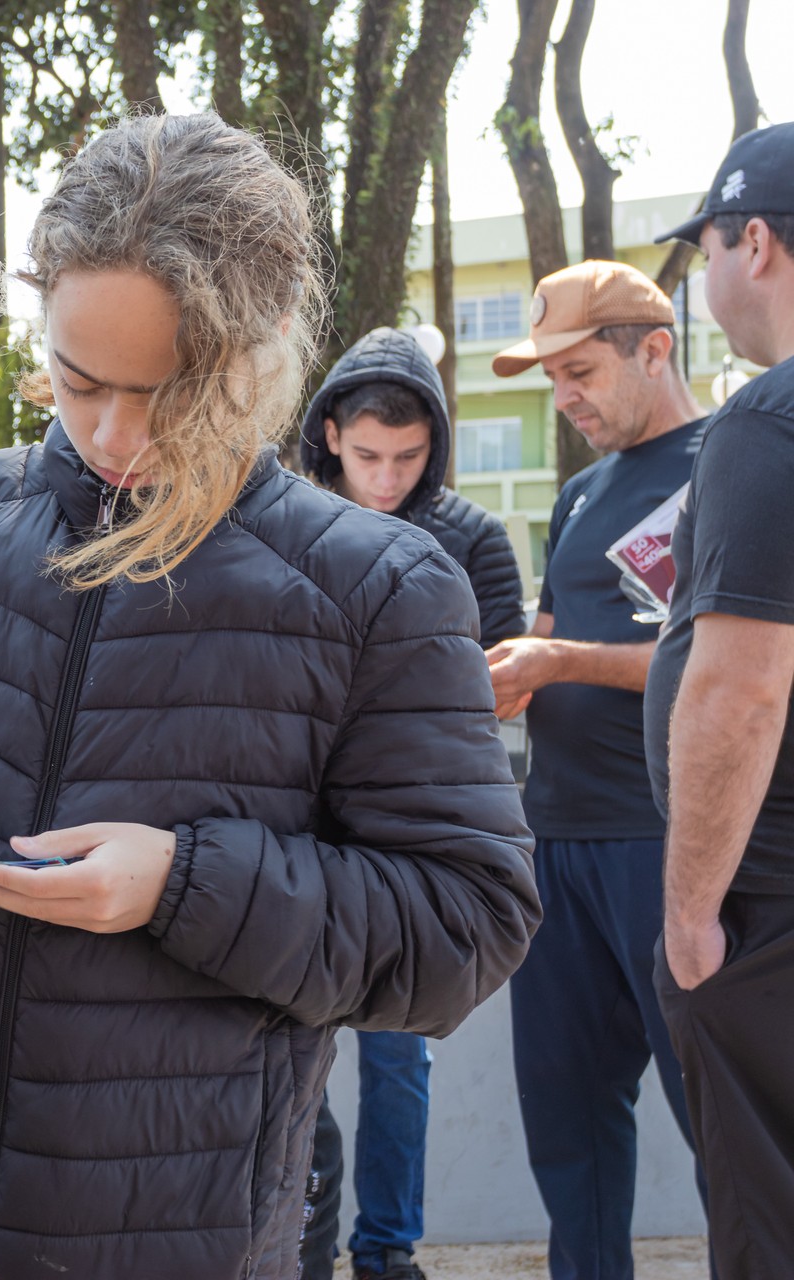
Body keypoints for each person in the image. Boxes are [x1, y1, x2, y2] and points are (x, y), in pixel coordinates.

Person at [0, 112, 539, 1280]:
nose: (115, 436)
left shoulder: (379, 586)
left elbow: (467, 925)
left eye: (175, 390)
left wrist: (184, 884)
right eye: (79, 379)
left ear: (273, 341)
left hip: (170, 1241)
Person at [481, 260, 707, 1280]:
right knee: (567, 1132)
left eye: (579, 371)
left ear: (653, 349)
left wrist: (564, 660)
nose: (563, 398)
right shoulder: (577, 494)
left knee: (730, 1131)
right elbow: (547, 632)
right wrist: (510, 671)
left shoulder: (735, 463)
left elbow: (734, 658)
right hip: (556, 849)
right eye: (551, 379)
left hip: (674, 845)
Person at [296, 326, 528, 1280]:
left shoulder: (475, 541)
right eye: (366, 457)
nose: (386, 479)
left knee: (398, 1058)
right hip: (298, 836)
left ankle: (386, 1252)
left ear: (436, 440)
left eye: (409, 457)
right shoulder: (288, 526)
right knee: (288, 1050)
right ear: (330, 436)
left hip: (412, 843)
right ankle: (293, 1239)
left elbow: (502, 697)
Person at [646, 121, 794, 1279]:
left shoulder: (765, 421)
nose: (705, 278)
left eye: (703, 250)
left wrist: (693, 918)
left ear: (757, 241)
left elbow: (741, 686)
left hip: (767, 914)